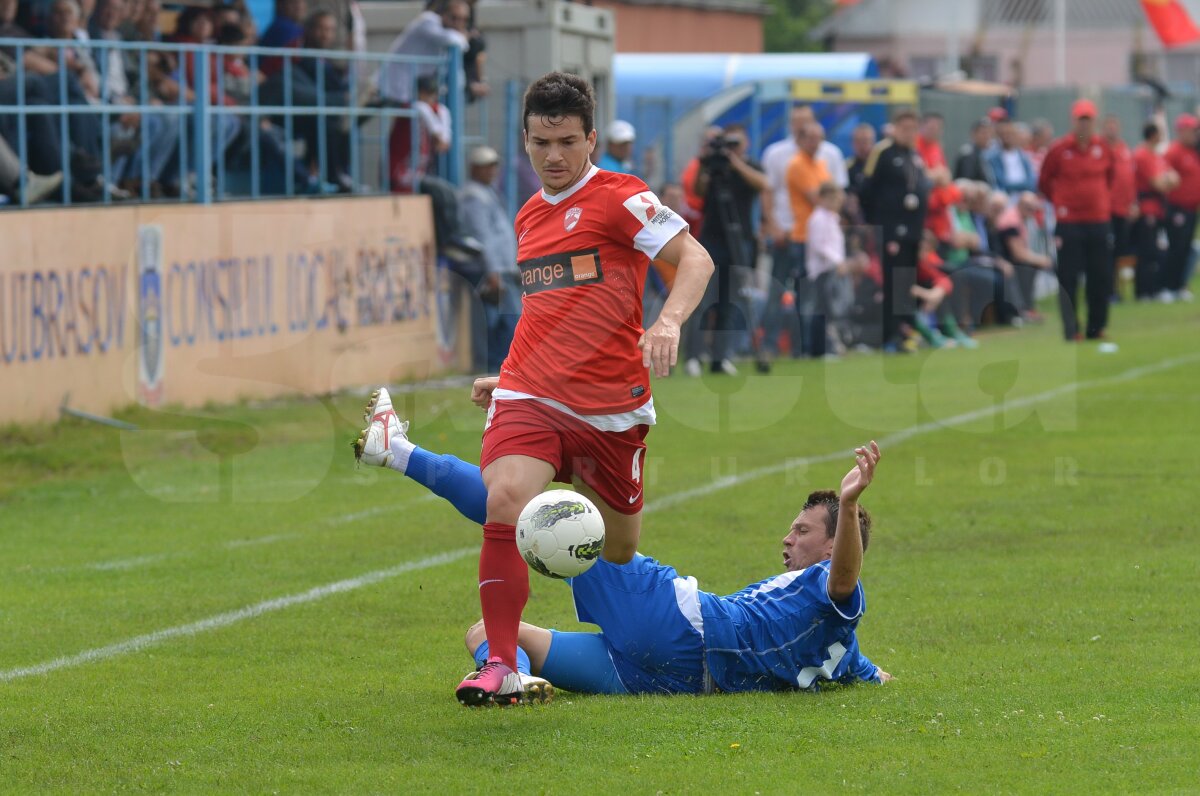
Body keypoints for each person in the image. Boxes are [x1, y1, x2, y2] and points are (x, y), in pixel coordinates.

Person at [356, 72, 715, 707]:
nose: (554, 156)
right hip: (535, 393)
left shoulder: (620, 198)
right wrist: (514, 374)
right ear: (524, 139)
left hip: (614, 412)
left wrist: (667, 322)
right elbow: (551, 310)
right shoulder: (527, 215)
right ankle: (501, 664)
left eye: (568, 142)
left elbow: (696, 260)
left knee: (616, 548)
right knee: (507, 497)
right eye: (541, 142)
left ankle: (400, 453)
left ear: (591, 139)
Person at [351, 393, 888, 697]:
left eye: (802, 531)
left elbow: (843, 580)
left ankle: (396, 450)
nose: (787, 537)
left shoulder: (830, 587)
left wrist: (846, 504)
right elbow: (870, 672)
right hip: (674, 679)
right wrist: (881, 677)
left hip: (676, 626)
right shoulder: (844, 648)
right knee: (488, 633)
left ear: (831, 547)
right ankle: (510, 675)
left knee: (528, 511)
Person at [684, 123, 766, 376]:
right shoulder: (712, 168)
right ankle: (693, 357)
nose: (729, 149)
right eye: (726, 145)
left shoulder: (749, 167)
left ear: (745, 144)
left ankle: (720, 358)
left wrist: (735, 162)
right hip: (712, 239)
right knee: (702, 299)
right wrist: (705, 161)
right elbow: (698, 191)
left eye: (735, 144)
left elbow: (762, 184)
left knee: (729, 301)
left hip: (739, 240)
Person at [1037, 99, 1115, 341]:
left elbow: (1109, 178)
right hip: (1069, 222)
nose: (1084, 125)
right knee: (1069, 277)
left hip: (1098, 220)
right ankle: (1071, 329)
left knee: (1100, 276)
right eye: (1080, 120)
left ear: (1094, 122)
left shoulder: (1102, 147)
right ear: (1074, 121)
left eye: (1088, 120)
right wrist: (1062, 203)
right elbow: (1044, 182)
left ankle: (1096, 326)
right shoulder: (1060, 149)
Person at [860, 108, 930, 352]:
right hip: (892, 231)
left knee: (906, 282)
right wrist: (879, 224)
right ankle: (890, 335)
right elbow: (866, 190)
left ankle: (906, 331)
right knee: (892, 283)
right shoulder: (883, 153)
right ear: (895, 128)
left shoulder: (914, 155)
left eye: (913, 128)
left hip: (912, 231)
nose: (909, 133)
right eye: (905, 128)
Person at [459, 145, 520, 372]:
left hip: (503, 268)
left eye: (494, 166)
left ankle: (499, 366)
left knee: (504, 320)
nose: (492, 171)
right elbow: (482, 236)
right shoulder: (473, 197)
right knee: (501, 321)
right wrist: (493, 271)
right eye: (486, 166)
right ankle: (495, 366)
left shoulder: (487, 191)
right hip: (491, 270)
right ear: (475, 168)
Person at [784, 122, 831, 358]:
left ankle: (817, 348)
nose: (816, 143)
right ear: (801, 140)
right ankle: (802, 348)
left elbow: (832, 196)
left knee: (820, 294)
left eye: (819, 138)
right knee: (805, 295)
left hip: (821, 238)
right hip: (804, 238)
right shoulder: (797, 165)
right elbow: (821, 198)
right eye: (811, 138)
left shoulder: (820, 164)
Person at [378, 0, 468, 106]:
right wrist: (463, 37)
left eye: (464, 20)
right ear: (443, 14)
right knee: (362, 115)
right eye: (454, 18)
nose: (458, 23)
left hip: (411, 91)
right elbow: (454, 40)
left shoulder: (446, 34)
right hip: (391, 83)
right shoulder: (428, 20)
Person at [1132, 122, 1177, 301]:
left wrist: (1165, 182)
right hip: (1146, 209)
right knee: (1147, 251)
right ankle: (1144, 291)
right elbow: (1158, 183)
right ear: (1153, 135)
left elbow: (1175, 178)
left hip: (1158, 209)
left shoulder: (1156, 155)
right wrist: (1165, 183)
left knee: (1157, 250)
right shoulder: (1142, 155)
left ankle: (1155, 288)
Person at [1160, 114, 1200, 303]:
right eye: (1191, 130)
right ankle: (1168, 286)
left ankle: (1180, 285)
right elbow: (1163, 174)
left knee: (1186, 249)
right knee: (1176, 248)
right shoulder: (1174, 151)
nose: (1194, 134)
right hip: (1177, 208)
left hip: (1192, 209)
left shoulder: (1194, 152)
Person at [805, 181, 846, 358]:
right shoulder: (818, 219)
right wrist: (837, 260)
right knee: (822, 309)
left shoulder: (832, 218)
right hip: (821, 270)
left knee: (828, 310)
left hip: (829, 269)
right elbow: (819, 245)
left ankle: (826, 346)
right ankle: (819, 349)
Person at [986, 116, 1037, 196]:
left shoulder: (1024, 156)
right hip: (1004, 196)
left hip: (1024, 196)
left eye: (1009, 133)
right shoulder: (991, 157)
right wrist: (1022, 185)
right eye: (1003, 134)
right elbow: (1000, 183)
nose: (1006, 137)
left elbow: (1031, 182)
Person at [953, 118, 995, 185]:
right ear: (973, 134)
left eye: (989, 133)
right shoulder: (968, 153)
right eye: (983, 133)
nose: (987, 136)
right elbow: (966, 181)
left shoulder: (991, 153)